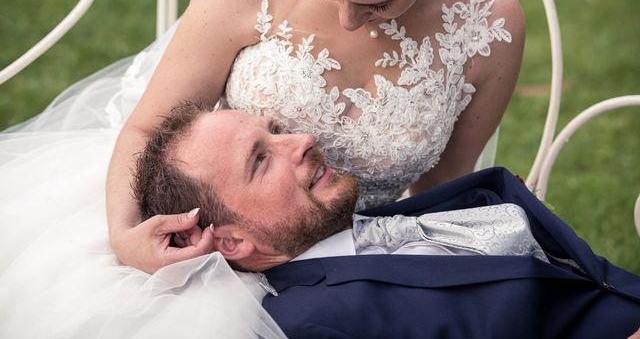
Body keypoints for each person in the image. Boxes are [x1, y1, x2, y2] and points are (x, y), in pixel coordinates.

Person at [107, 0, 526, 274]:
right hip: (230, 253)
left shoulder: (488, 27)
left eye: (378, 3)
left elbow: (441, 191)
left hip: (364, 260)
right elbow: (148, 129)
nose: (349, 19)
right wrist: (125, 237)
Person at [133, 103, 640, 338]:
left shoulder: (375, 228)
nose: (301, 140)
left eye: (277, 130)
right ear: (232, 240)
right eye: (261, 160)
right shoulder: (317, 324)